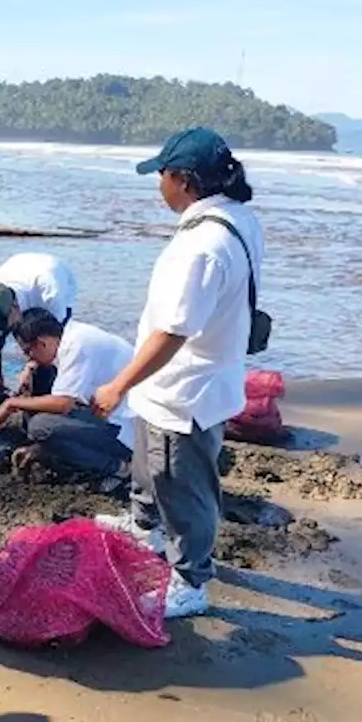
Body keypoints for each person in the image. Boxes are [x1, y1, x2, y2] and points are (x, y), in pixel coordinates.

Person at [91, 127, 265, 620]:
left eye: (163, 175)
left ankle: (190, 580)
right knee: (149, 465)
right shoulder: (236, 218)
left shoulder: (202, 246)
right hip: (184, 380)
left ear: (184, 181)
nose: (158, 185)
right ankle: (143, 525)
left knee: (181, 482)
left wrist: (117, 384)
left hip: (185, 388)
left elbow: (172, 332)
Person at [0, 309, 134, 485]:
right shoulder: (74, 335)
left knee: (40, 425)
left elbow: (63, 404)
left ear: (42, 343)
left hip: (129, 431)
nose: (29, 358)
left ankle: (119, 468)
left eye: (28, 352)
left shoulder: (77, 347)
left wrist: (11, 402)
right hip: (120, 418)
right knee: (42, 415)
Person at [0, 252, 78, 401]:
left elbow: (51, 345)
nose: (2, 331)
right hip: (20, 269)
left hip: (51, 286)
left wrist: (31, 366)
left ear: (15, 307)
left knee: (42, 358)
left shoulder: (49, 294)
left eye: (3, 326)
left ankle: (39, 406)